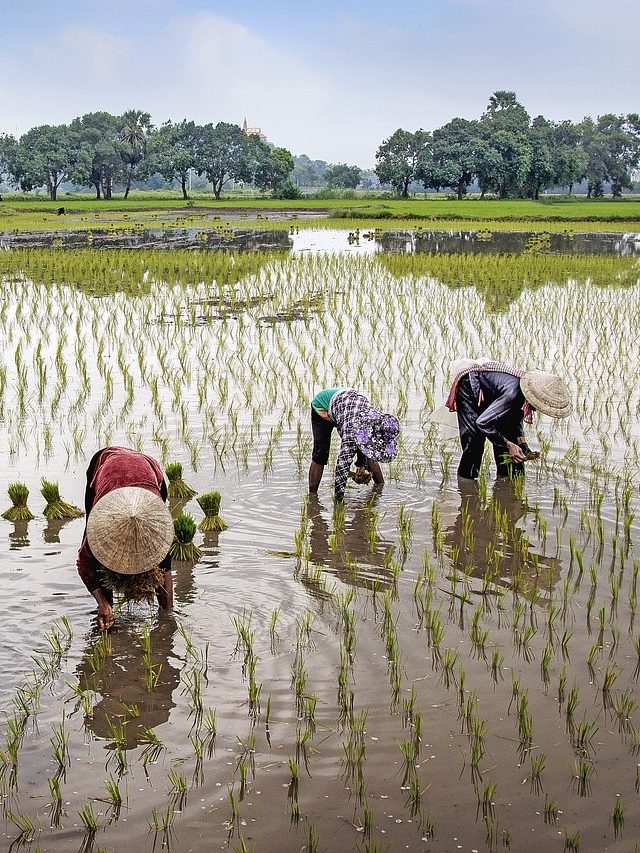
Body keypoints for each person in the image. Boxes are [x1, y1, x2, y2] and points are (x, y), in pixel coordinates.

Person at [77, 446, 175, 630]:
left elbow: (165, 564)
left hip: (147, 467)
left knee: (158, 555)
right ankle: (107, 611)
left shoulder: (158, 528)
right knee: (98, 558)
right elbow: (84, 564)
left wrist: (168, 617)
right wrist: (103, 603)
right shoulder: (100, 525)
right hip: (106, 464)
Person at [445, 360, 572, 480]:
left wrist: (522, 445)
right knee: (474, 441)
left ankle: (507, 479)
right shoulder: (513, 394)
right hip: (471, 385)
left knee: (510, 438)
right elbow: (482, 422)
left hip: (495, 393)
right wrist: (508, 444)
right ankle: (466, 484)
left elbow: (515, 422)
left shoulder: (522, 397)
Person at [308, 387, 400, 502]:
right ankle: (312, 498)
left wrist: (361, 465)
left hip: (347, 407)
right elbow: (342, 468)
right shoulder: (351, 432)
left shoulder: (376, 420)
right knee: (320, 454)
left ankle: (379, 490)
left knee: (371, 453)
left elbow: (367, 448)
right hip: (322, 406)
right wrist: (339, 506)